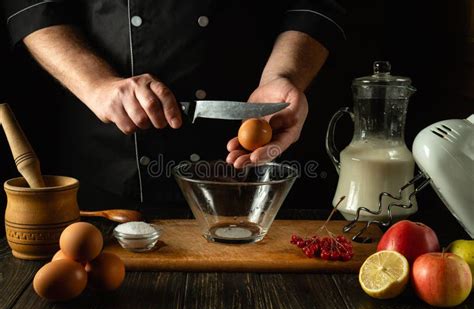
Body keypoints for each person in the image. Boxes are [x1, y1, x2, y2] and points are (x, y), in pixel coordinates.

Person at [2, 1, 345, 210]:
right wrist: (96, 83)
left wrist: (284, 74)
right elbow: (34, 6)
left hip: (244, 179)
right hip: (109, 175)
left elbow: (314, 4)